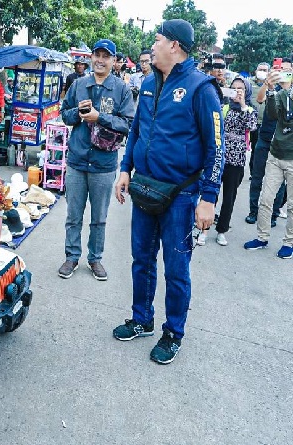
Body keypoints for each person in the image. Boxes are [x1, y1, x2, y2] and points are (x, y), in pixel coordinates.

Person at [113, 19, 224, 364]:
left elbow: (216, 149)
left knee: (176, 269)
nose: (153, 45)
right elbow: (136, 132)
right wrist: (125, 169)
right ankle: (142, 318)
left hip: (182, 197)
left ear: (174, 46)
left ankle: (173, 332)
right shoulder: (147, 83)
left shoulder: (200, 88)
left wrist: (208, 197)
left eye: (157, 39)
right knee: (141, 260)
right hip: (145, 189)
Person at [57, 39, 134, 281]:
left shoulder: (121, 89)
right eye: (97, 55)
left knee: (99, 217)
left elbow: (128, 124)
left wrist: (100, 117)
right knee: (73, 215)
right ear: (91, 58)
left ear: (114, 61)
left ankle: (95, 258)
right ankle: (72, 256)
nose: (100, 60)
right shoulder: (79, 84)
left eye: (106, 56)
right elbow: (64, 115)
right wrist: (78, 114)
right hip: (77, 161)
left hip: (104, 163)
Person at [243, 61, 293, 259]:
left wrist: (288, 90)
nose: (285, 76)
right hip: (275, 153)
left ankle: (289, 242)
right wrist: (268, 86)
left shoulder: (287, 92)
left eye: (289, 72)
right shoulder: (279, 93)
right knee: (265, 199)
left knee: (291, 206)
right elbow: (263, 102)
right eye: (283, 73)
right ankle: (262, 237)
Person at [203, 77, 257, 246]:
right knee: (212, 193)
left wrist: (242, 105)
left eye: (241, 88)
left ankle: (221, 230)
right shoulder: (224, 107)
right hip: (220, 158)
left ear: (247, 91)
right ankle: (204, 229)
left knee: (229, 198)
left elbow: (252, 126)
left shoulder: (249, 110)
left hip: (237, 160)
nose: (237, 91)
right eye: (234, 88)